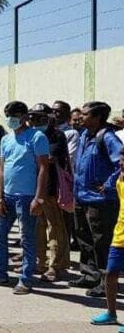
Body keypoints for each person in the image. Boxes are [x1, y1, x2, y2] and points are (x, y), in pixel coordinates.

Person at [0, 101, 48, 295]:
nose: (11, 119)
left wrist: (39, 198)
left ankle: (26, 279)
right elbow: (2, 169)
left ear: (25, 116)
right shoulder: (6, 140)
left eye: (15, 115)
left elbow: (44, 167)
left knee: (27, 238)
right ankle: (0, 273)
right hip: (7, 196)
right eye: (8, 115)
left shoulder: (36, 137)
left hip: (27, 197)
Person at [72, 101, 123, 298]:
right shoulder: (85, 135)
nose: (80, 117)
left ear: (97, 118)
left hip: (99, 201)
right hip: (81, 196)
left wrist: (109, 185)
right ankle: (89, 274)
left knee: (101, 241)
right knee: (83, 238)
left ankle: (106, 282)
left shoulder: (108, 138)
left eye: (85, 115)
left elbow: (121, 164)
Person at [30, 103, 71, 283]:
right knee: (37, 227)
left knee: (54, 227)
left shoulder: (56, 135)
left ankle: (55, 265)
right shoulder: (31, 135)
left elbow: (48, 158)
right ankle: (40, 262)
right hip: (32, 188)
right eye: (33, 117)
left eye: (39, 117)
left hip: (50, 188)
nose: (35, 120)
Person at [89, 152, 124, 326]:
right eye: (122, 159)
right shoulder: (119, 176)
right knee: (110, 273)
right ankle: (111, 313)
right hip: (120, 234)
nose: (122, 162)